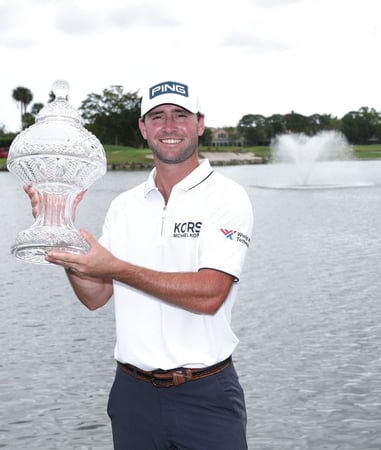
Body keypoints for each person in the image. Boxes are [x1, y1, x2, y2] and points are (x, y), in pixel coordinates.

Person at [25, 79, 254, 449]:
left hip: (205, 394)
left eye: (181, 115)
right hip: (133, 396)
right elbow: (95, 295)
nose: (169, 126)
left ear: (199, 124)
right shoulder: (124, 205)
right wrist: (61, 231)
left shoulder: (226, 197)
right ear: (143, 128)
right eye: (157, 116)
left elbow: (210, 294)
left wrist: (115, 267)